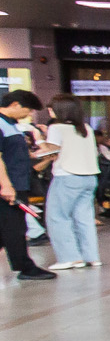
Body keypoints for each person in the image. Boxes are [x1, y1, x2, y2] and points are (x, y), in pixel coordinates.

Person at [39, 94, 101, 270]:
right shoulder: (86, 128)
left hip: (67, 176)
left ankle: (70, 258)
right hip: (90, 177)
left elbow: (49, 153)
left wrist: (39, 138)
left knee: (57, 217)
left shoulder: (57, 128)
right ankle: (91, 257)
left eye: (51, 108)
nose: (49, 111)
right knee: (85, 218)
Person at [0, 88, 52, 280]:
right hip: (9, 186)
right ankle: (25, 268)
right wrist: (6, 185)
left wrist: (38, 156)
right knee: (15, 227)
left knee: (7, 227)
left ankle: (24, 265)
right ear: (15, 105)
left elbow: (12, 153)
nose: (29, 114)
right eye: (28, 110)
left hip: (18, 182)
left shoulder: (11, 125)